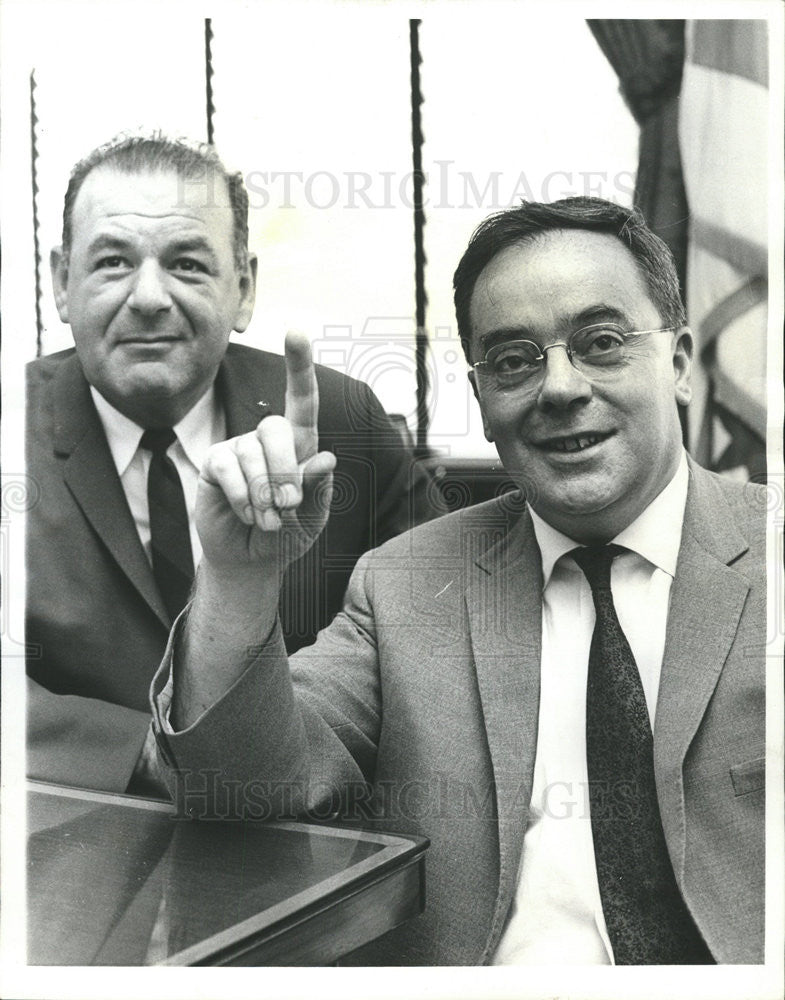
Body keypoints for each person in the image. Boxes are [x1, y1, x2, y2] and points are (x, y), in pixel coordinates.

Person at [151, 197, 765, 965]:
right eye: (513, 360)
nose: (559, 387)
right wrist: (238, 579)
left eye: (601, 342)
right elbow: (231, 788)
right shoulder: (406, 585)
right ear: (479, 399)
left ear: (676, 362)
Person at [26, 135, 444, 795]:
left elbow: (440, 618)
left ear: (242, 288)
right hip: (73, 841)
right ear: (59, 282)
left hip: (303, 827)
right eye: (111, 261)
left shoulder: (340, 419)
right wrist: (154, 749)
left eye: (187, 263)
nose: (149, 297)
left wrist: (275, 750)